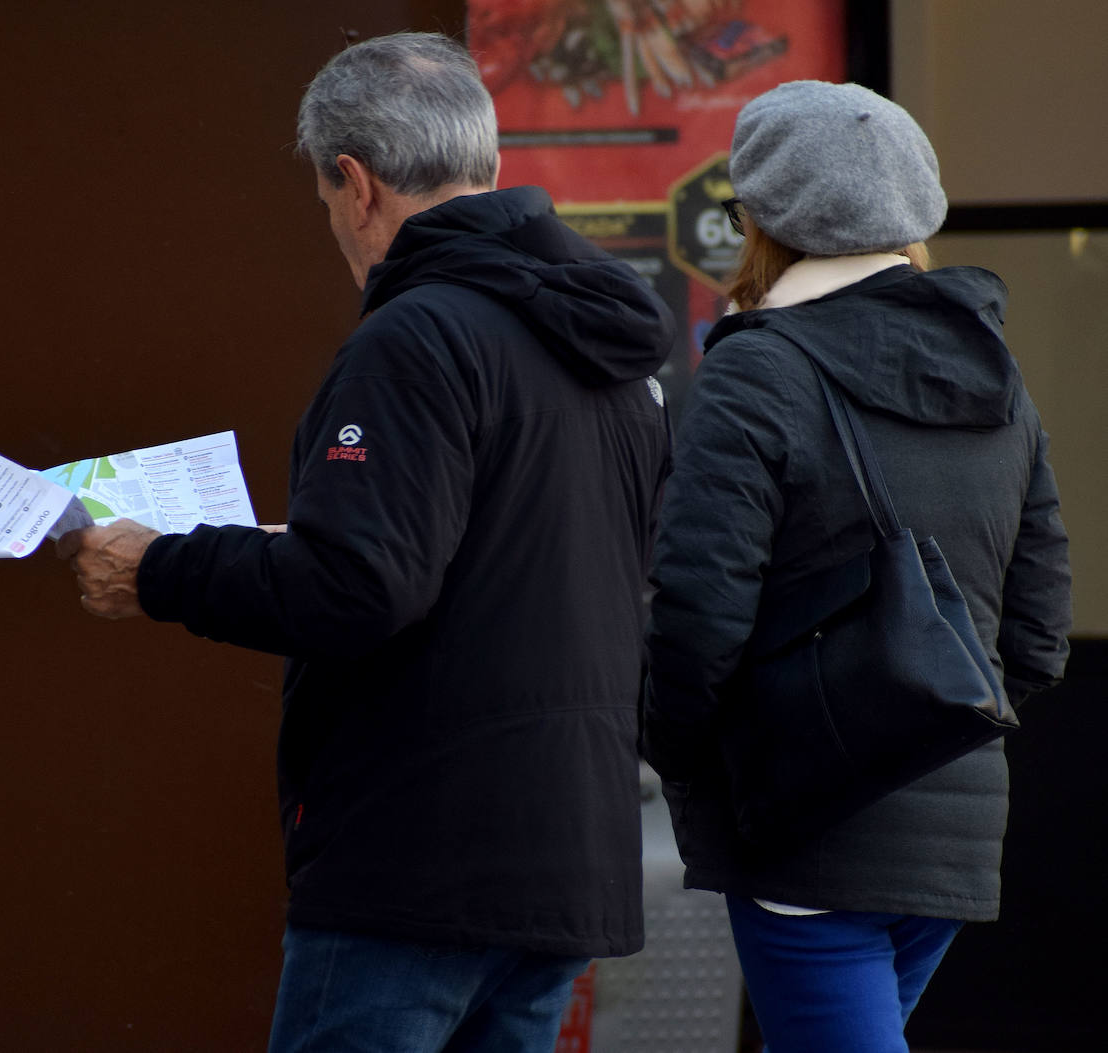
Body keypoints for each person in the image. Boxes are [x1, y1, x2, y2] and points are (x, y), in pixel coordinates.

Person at [56, 31, 675, 1053]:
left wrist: (159, 567)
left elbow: (359, 590)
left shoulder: (414, 336)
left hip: (418, 863)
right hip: (572, 859)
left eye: (324, 203)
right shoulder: (606, 348)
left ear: (355, 183)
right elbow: (531, 562)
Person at [641, 80, 1072, 1053]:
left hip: (804, 834)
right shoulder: (996, 373)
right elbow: (1038, 637)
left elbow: (696, 616)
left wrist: (693, 763)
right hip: (954, 836)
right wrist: (922, 730)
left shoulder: (754, 368)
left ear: (757, 222)